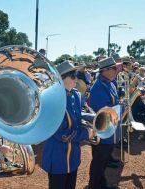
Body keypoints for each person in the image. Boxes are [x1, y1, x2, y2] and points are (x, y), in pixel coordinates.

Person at [41, 60, 92, 189]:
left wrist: (94, 119)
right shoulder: (52, 98)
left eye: (76, 75)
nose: (76, 79)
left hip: (73, 155)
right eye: (73, 76)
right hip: (58, 157)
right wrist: (86, 133)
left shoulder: (75, 94)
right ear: (61, 78)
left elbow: (77, 117)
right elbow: (61, 134)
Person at [87, 57, 121, 189]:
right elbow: (104, 110)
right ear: (104, 70)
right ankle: (94, 184)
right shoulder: (98, 87)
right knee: (99, 160)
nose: (116, 71)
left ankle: (101, 183)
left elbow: (113, 104)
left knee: (105, 159)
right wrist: (121, 108)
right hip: (102, 130)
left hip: (110, 129)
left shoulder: (109, 83)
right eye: (113, 68)